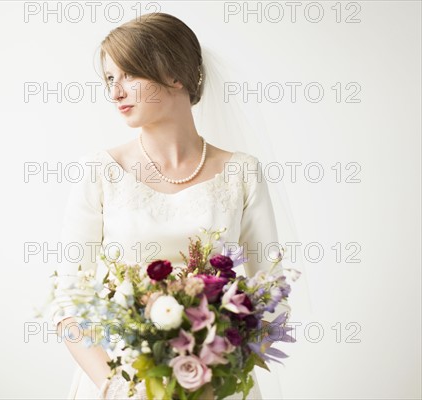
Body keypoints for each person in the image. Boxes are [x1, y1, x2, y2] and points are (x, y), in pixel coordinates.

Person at [51, 12, 291, 400]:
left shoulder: (242, 173)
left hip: (218, 385)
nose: (115, 92)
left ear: (176, 75)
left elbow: (271, 295)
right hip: (121, 384)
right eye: (110, 79)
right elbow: (68, 304)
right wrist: (120, 387)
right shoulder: (101, 172)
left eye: (129, 75)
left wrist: (216, 374)